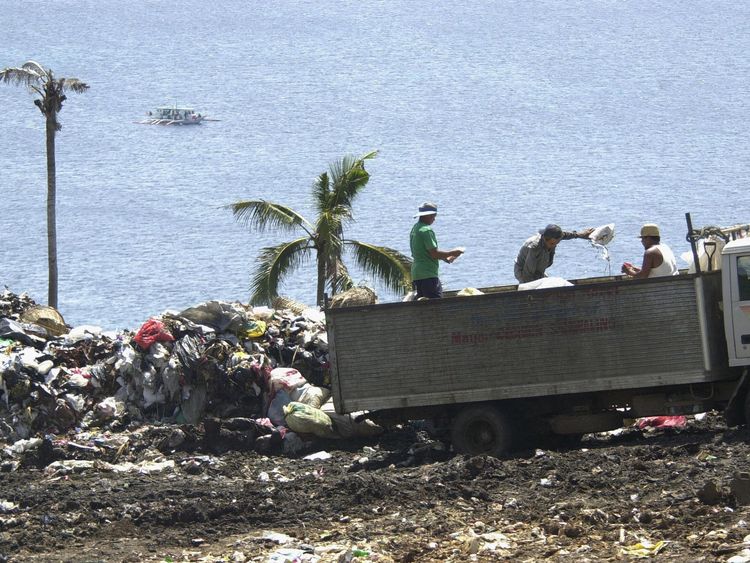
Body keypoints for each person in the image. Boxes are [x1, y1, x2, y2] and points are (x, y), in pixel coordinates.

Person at [410, 202, 464, 298]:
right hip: (428, 275)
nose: (434, 219)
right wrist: (453, 252)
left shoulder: (415, 228)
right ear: (428, 216)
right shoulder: (426, 230)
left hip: (417, 274)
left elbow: (425, 252)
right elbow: (434, 254)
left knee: (422, 306)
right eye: (433, 216)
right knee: (435, 305)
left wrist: (449, 258)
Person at [514, 224, 595, 284]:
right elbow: (527, 275)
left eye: (557, 243)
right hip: (523, 271)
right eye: (552, 243)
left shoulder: (555, 237)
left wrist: (581, 235)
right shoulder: (534, 247)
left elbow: (565, 235)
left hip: (538, 270)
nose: (555, 245)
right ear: (545, 239)